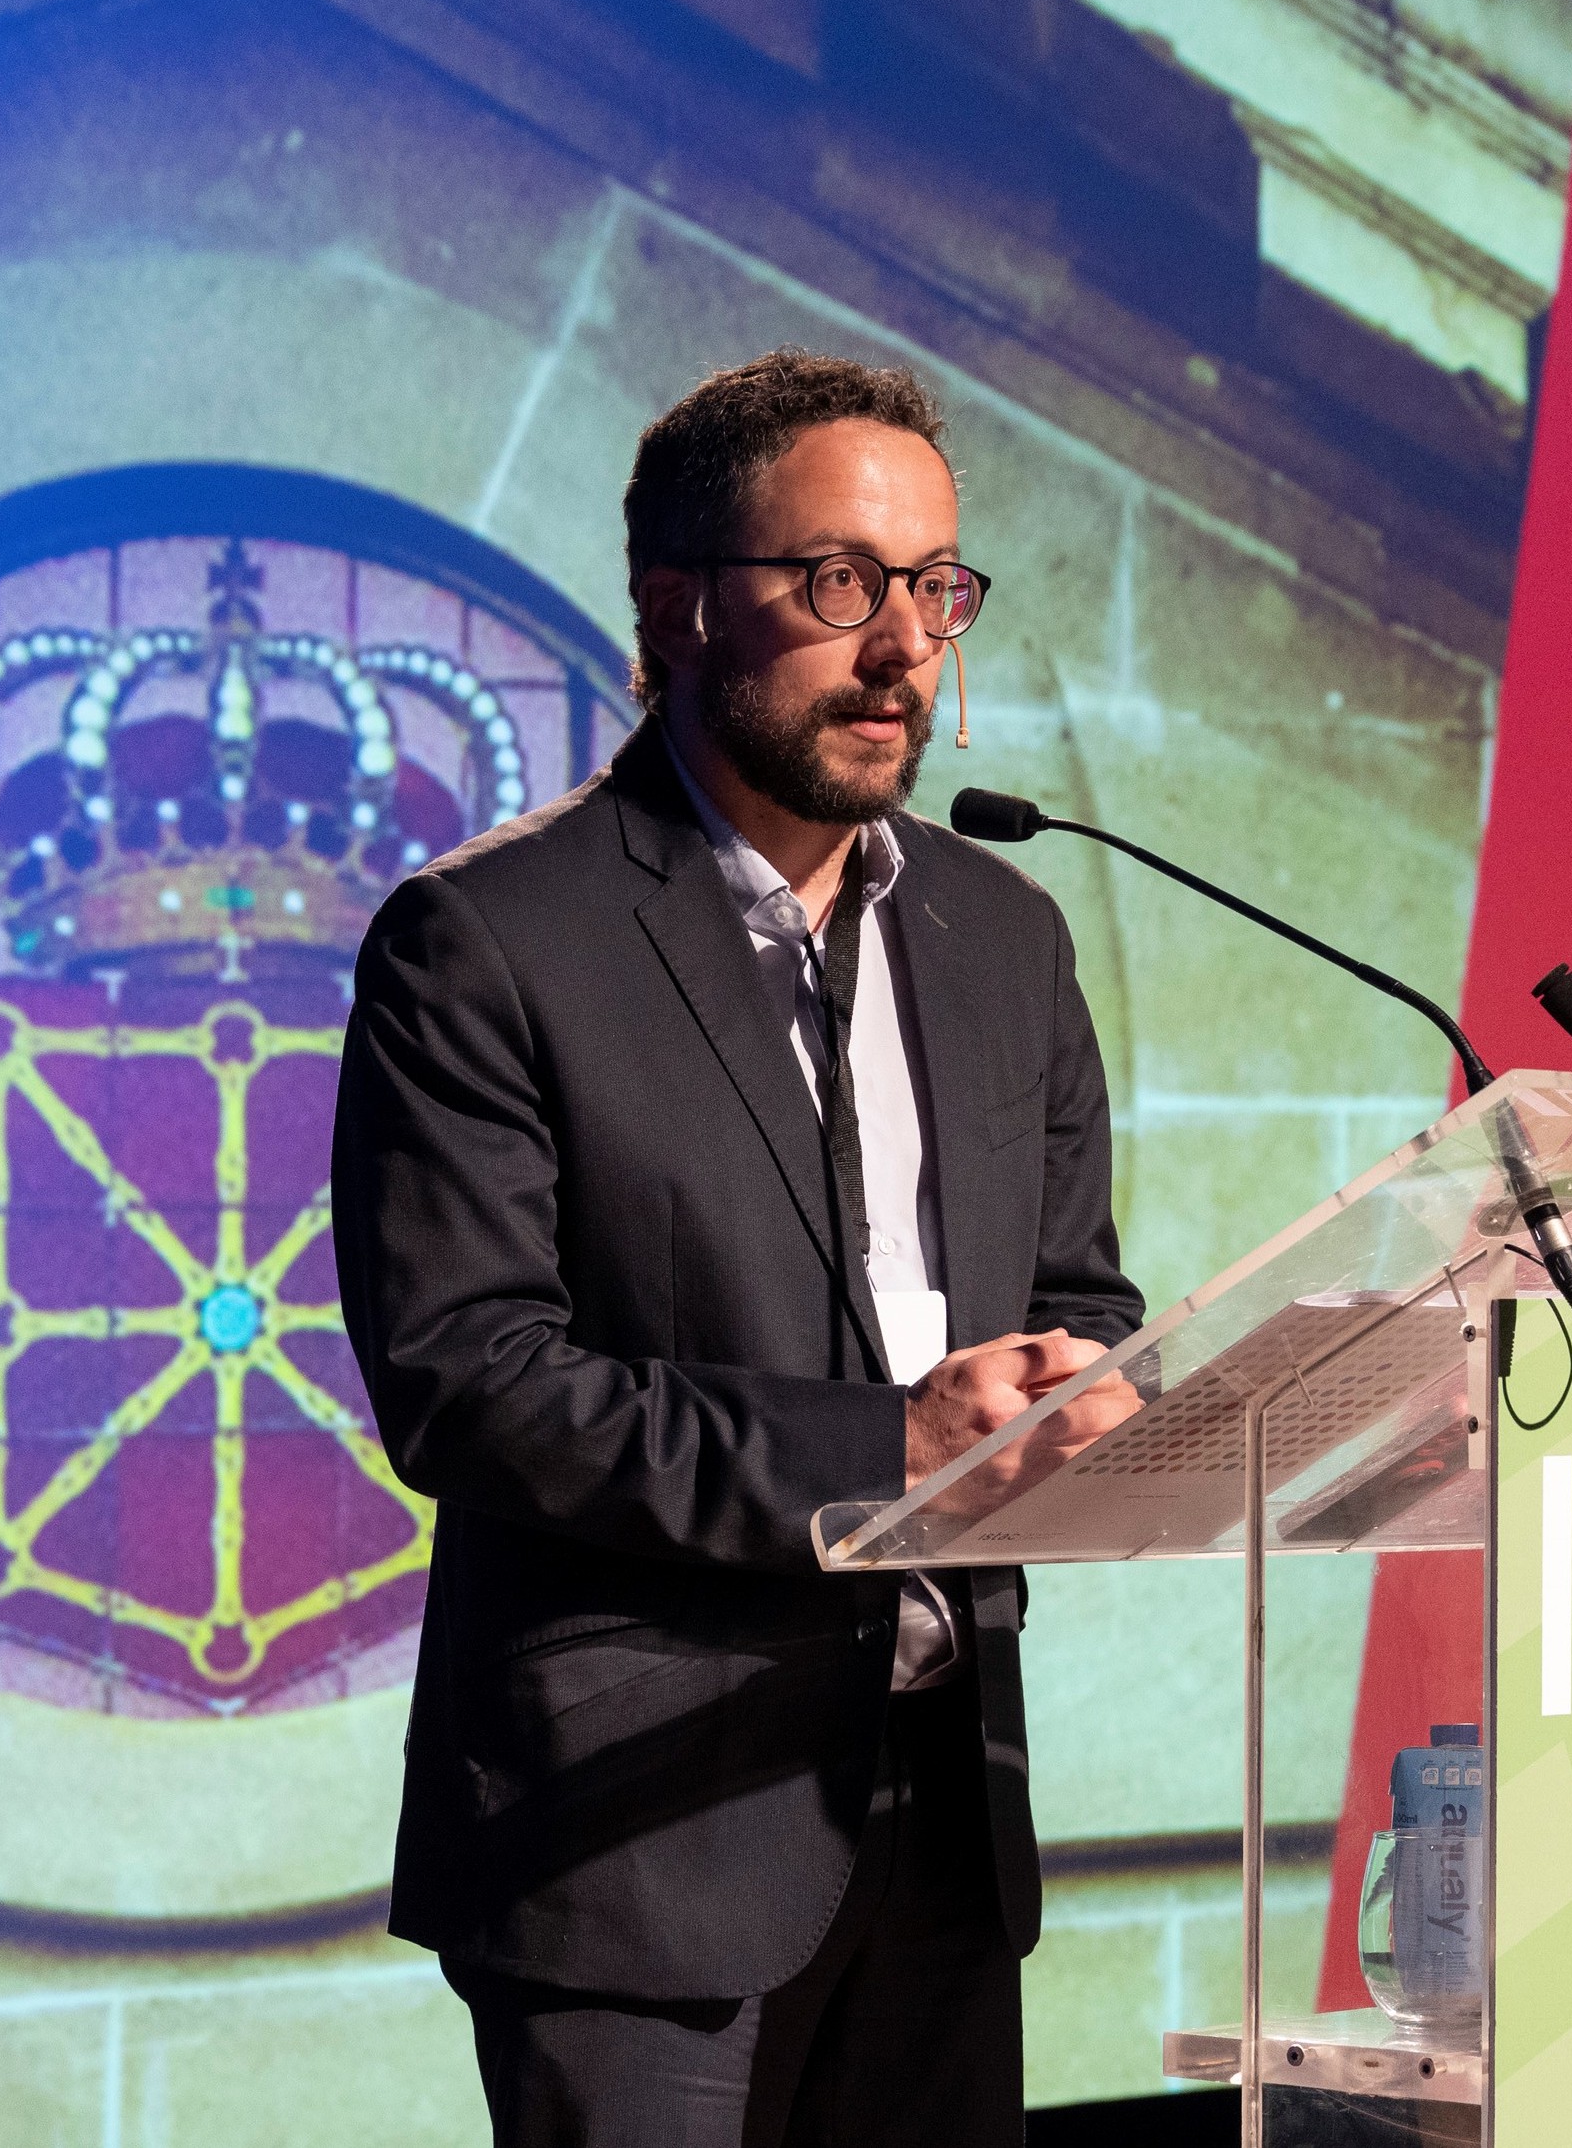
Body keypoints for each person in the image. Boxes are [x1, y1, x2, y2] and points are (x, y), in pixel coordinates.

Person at [332, 347, 1144, 2148]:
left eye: (936, 589)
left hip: (943, 1818)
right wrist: (896, 1449)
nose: (903, 648)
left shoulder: (1008, 938)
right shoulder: (486, 941)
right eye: (838, 583)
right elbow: (474, 1387)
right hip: (641, 1853)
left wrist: (1084, 1401)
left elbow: (1078, 1296)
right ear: (680, 602)